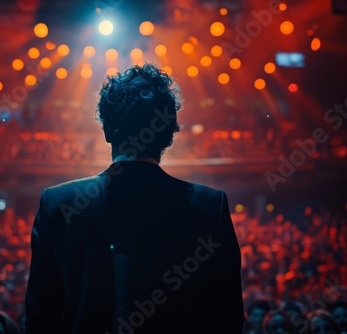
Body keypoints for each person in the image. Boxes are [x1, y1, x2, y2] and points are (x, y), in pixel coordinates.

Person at [25, 63, 244, 333]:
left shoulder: (59, 205)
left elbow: (41, 318)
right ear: (168, 135)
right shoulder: (209, 207)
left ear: (106, 132)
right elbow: (227, 317)